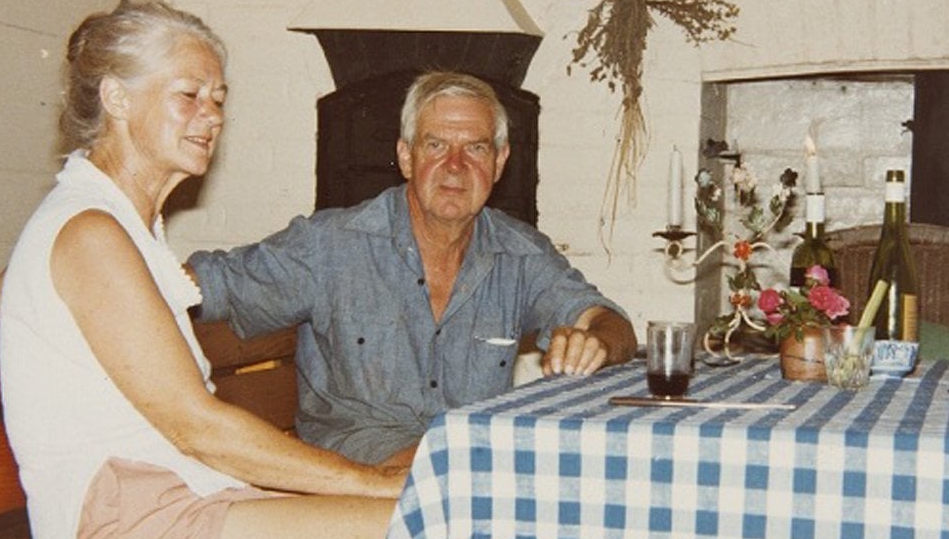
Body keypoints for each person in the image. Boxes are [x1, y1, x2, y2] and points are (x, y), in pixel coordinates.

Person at [0, 0, 483, 539]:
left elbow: (11, 299)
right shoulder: (91, 230)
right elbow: (198, 427)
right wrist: (372, 482)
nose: (211, 116)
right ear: (117, 99)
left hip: (195, 506)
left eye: (219, 98)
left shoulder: (116, 227)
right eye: (189, 95)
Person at [187, 71, 638, 467]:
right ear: (406, 157)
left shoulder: (520, 255)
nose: (455, 166)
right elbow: (206, 283)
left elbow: (609, 322)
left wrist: (595, 340)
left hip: (464, 458)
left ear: (499, 163)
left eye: (475, 148)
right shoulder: (330, 245)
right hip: (356, 467)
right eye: (436, 145)